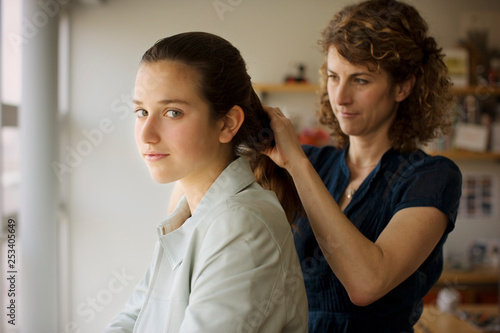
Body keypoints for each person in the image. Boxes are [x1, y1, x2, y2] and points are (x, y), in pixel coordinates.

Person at [263, 0, 462, 332]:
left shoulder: (431, 177)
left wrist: (296, 164)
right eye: (333, 77)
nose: (339, 97)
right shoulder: (313, 163)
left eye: (360, 80)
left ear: (403, 86)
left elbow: (367, 283)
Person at [104, 31, 308, 333]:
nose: (146, 134)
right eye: (142, 112)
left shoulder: (243, 226)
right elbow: (134, 319)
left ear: (227, 124)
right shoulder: (189, 218)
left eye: (172, 112)